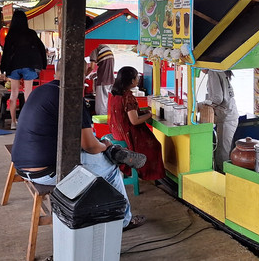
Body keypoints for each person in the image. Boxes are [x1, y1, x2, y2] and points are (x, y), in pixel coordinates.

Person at [11, 65, 147, 231]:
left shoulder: (40, 90)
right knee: (110, 168)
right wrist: (103, 146)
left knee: (96, 149)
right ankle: (124, 221)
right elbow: (89, 145)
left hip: (21, 165)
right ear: (82, 76)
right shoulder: (71, 97)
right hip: (46, 171)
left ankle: (112, 152)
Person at [108, 66, 165, 181]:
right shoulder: (128, 97)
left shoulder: (114, 93)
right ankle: (147, 174)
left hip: (116, 132)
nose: (138, 79)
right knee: (155, 145)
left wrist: (143, 112)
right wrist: (149, 114)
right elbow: (134, 121)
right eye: (137, 77)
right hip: (128, 134)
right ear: (132, 81)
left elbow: (126, 113)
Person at [0, 10, 47, 128]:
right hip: (29, 66)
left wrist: (3, 68)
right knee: (28, 95)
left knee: (14, 94)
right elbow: (41, 48)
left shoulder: (10, 34)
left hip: (14, 67)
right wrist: (43, 64)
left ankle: (13, 122)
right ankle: (27, 121)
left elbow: (6, 52)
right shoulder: (31, 33)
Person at [201, 69, 239, 173]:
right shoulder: (220, 70)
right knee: (224, 149)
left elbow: (217, 98)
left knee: (222, 153)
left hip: (227, 117)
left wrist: (201, 105)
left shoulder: (213, 72)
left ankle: (223, 176)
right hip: (229, 115)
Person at [87, 44, 115, 114]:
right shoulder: (106, 49)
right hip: (111, 80)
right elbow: (106, 66)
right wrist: (96, 74)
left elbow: (91, 67)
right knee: (108, 102)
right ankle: (107, 118)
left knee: (100, 104)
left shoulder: (93, 50)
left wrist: (84, 75)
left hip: (103, 82)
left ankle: (100, 119)